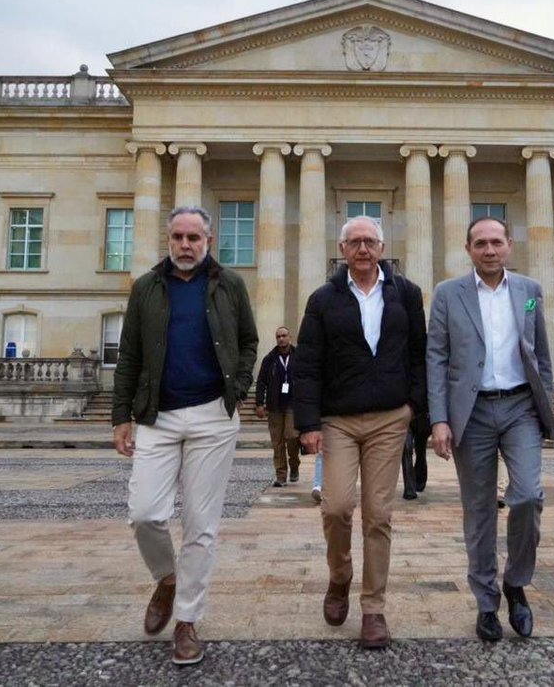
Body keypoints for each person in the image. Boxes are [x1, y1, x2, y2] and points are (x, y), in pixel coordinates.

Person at [111, 206, 259, 667]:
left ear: (208, 241)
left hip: (214, 415)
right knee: (144, 513)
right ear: (168, 240)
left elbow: (249, 341)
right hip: (157, 415)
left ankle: (187, 620)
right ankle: (168, 579)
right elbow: (130, 354)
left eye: (194, 237)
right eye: (177, 236)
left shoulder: (230, 285)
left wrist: (236, 388)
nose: (185, 245)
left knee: (201, 526)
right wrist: (121, 415)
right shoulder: (146, 288)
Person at [294, 215, 428, 650]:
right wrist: (308, 423)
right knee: (335, 507)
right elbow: (308, 364)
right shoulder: (323, 299)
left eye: (370, 241)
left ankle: (373, 608)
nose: (363, 249)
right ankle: (340, 577)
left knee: (378, 514)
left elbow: (419, 354)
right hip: (338, 419)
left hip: (390, 418)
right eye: (355, 242)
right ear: (343, 249)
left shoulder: (405, 294)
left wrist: (413, 408)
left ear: (382, 247)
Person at [428, 216, 554, 642]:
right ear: (468, 249)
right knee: (479, 511)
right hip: (474, 411)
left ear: (509, 247)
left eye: (496, 242)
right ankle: (486, 603)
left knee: (527, 496)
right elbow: (437, 358)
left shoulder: (528, 291)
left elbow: (539, 352)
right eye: (480, 243)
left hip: (521, 406)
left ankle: (516, 584)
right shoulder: (448, 295)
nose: (489, 250)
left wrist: (546, 404)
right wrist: (439, 419)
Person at [255, 326, 299, 487]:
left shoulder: (298, 356)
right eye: (278, 336)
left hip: (293, 404)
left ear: (289, 337)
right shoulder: (269, 359)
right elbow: (261, 382)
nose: (281, 338)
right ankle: (281, 475)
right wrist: (259, 403)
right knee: (277, 442)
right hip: (275, 406)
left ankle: (294, 465)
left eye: (284, 335)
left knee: (292, 436)